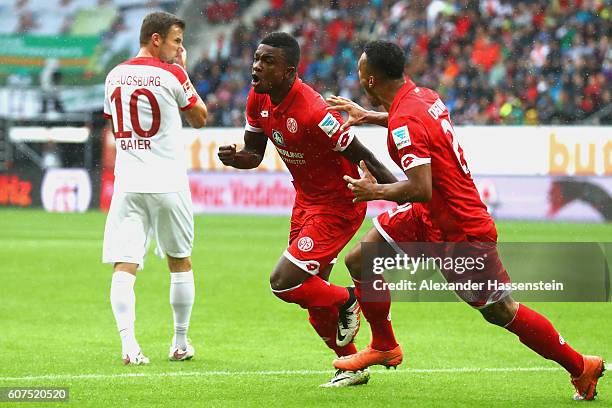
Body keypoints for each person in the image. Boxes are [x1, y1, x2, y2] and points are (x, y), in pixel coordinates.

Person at [327, 40, 605, 400]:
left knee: (500, 310)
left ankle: (581, 366)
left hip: (459, 228)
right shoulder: (423, 96)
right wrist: (368, 116)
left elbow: (421, 187)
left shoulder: (406, 119)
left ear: (369, 80)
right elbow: (411, 123)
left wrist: (375, 191)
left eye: (361, 72)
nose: (359, 77)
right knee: (362, 259)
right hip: (429, 217)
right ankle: (384, 345)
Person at [217, 32, 396, 387]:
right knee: (316, 307)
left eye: (268, 61)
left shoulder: (315, 111)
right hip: (306, 202)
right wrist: (237, 159)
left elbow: (365, 157)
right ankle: (351, 366)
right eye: (256, 58)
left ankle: (349, 299)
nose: (257, 66)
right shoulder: (258, 97)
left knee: (283, 283)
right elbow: (254, 154)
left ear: (289, 72)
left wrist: (404, 196)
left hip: (338, 206)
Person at [102, 11, 208, 365]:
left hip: (128, 181)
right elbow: (200, 118)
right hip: (167, 182)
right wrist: (184, 72)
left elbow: (115, 122)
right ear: (156, 39)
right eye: (177, 41)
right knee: (180, 261)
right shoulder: (173, 73)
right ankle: (179, 342)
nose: (180, 49)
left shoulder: (114, 75)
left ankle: (129, 346)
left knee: (125, 263)